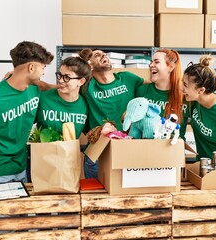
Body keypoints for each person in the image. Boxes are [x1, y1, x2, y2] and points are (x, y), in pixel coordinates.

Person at [0, 41, 54, 184]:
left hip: (22, 167)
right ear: (31, 67)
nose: (43, 72)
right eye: (43, 67)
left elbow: (46, 86)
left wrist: (69, 85)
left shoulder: (34, 88)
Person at [78, 48, 144, 179]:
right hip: (98, 153)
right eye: (97, 55)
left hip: (127, 151)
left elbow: (151, 88)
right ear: (90, 66)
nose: (104, 55)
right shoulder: (86, 86)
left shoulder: (128, 78)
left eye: (104, 54)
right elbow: (64, 88)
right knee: (95, 198)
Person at [136, 48, 188, 139]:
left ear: (171, 67)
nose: (151, 65)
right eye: (151, 62)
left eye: (156, 62)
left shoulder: (185, 95)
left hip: (173, 149)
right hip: (145, 148)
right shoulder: (142, 91)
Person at [35, 56, 91, 139]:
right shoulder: (42, 99)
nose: (60, 80)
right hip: (43, 151)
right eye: (60, 75)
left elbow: (91, 133)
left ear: (81, 81)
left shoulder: (85, 106)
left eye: (67, 77)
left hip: (70, 151)